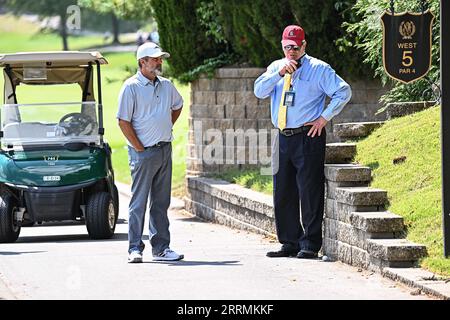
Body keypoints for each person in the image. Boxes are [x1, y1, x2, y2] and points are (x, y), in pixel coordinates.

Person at [254, 25, 352, 259]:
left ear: (304, 46)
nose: (292, 52)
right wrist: (278, 74)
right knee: (283, 192)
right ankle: (289, 241)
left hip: (308, 136)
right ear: (282, 45)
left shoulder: (319, 69)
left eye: (296, 48)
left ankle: (309, 243)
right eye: (287, 47)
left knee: (309, 191)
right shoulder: (276, 68)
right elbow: (258, 91)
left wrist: (324, 118)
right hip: (282, 136)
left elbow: (343, 91)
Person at [117, 42, 184, 263]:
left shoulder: (166, 85)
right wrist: (138, 146)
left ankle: (161, 249)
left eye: (160, 58)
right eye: (154, 58)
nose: (159, 62)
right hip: (142, 153)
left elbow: (177, 106)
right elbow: (123, 121)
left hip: (164, 149)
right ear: (142, 62)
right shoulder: (131, 87)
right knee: (138, 203)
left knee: (161, 202)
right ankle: (134, 248)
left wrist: (165, 126)